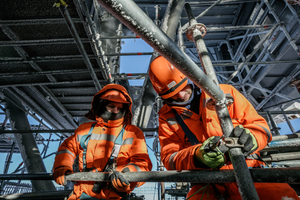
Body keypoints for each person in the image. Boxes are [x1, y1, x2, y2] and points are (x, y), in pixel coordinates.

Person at [149, 56, 299, 200]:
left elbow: (262, 128)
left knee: (280, 196)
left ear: (190, 78)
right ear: (163, 97)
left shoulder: (223, 93)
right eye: (172, 95)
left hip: (250, 169)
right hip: (208, 182)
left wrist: (252, 138)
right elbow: (170, 159)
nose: (181, 96)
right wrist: (197, 156)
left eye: (183, 88)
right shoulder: (167, 117)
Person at [53, 84, 152, 200]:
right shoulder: (85, 130)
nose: (115, 111)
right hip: (82, 194)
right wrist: (62, 166)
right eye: (111, 106)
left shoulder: (133, 133)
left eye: (120, 108)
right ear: (101, 105)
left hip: (115, 196)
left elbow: (142, 163)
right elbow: (67, 148)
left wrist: (127, 177)